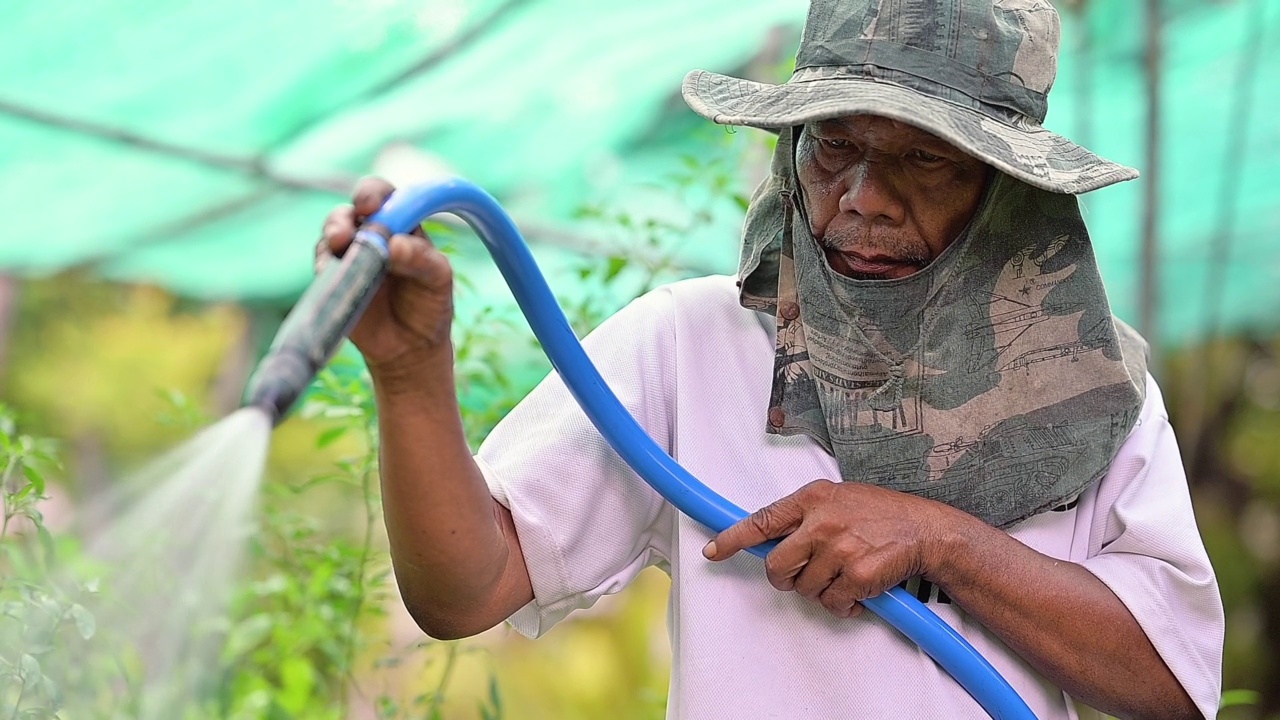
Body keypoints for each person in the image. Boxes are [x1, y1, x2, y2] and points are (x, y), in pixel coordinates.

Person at [319, 0, 1224, 717]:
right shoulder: (690, 344)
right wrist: (409, 375)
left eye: (926, 158)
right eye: (835, 145)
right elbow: (465, 588)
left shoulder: (1093, 397)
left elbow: (1177, 686)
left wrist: (941, 541)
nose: (864, 198)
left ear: (1009, 195)